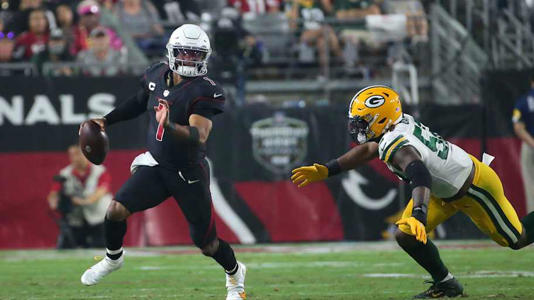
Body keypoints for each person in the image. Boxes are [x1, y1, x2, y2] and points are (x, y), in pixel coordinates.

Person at [291, 85, 534, 298]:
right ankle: (447, 284)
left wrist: (419, 213)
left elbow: (419, 173)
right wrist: (328, 169)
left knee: (516, 239)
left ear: (381, 119)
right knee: (406, 234)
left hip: (473, 187)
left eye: (363, 121)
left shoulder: (397, 143)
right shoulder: (395, 124)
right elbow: (368, 150)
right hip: (443, 189)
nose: (357, 127)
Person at [79, 24, 247, 300]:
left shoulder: (205, 91)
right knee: (116, 210)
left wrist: (169, 125)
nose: (190, 60)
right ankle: (113, 259)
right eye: (185, 53)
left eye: (196, 55)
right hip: (157, 165)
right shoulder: (156, 73)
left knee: (206, 244)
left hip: (187, 171)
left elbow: (199, 135)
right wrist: (106, 120)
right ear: (172, 52)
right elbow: (138, 101)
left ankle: (235, 276)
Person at [47, 145, 112, 249]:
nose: (75, 158)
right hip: (76, 218)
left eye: (78, 154)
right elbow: (53, 193)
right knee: (68, 248)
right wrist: (54, 202)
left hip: (98, 217)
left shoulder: (100, 171)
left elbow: (101, 192)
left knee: (101, 248)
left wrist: (82, 201)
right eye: (71, 155)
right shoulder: (64, 173)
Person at [512, 76, 534, 214]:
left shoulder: (523, 101)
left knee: (530, 184)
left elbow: (518, 127)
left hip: (529, 144)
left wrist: (532, 143)